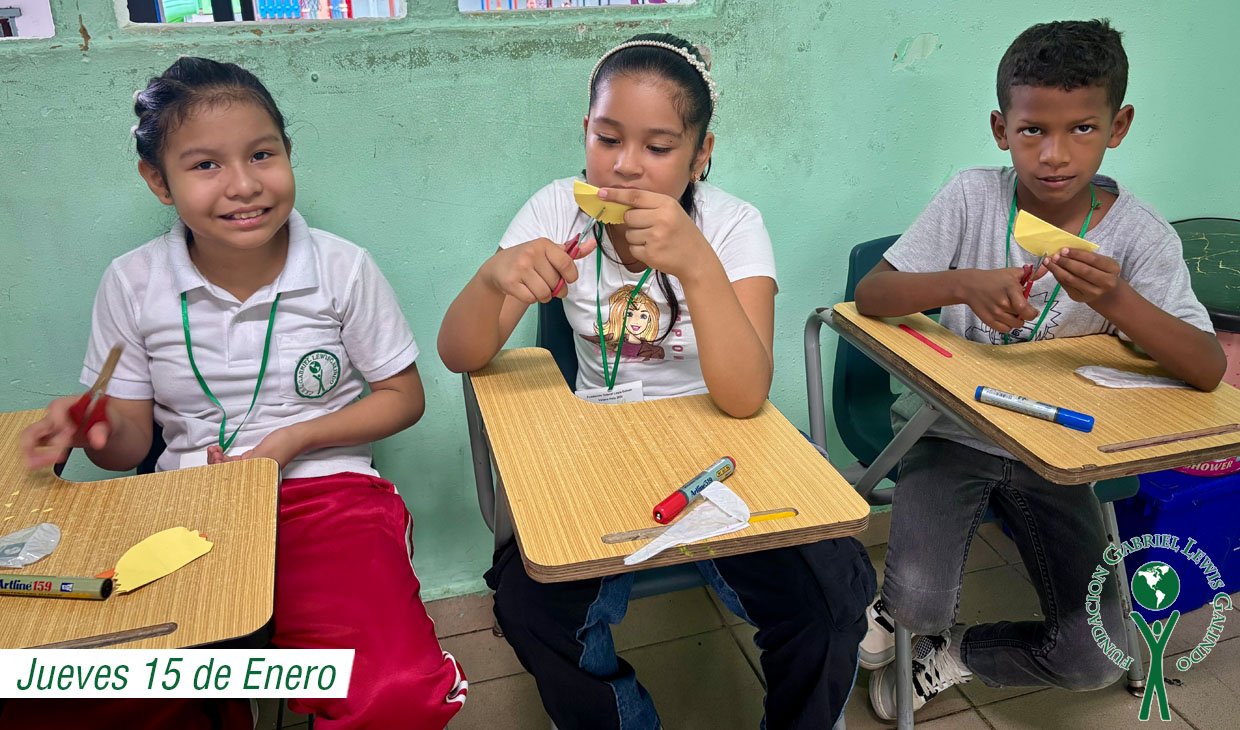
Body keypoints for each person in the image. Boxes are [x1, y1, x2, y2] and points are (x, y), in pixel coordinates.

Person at [438, 32, 875, 730]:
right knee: (530, 609)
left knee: (828, 602)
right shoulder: (556, 209)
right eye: (608, 138)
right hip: (599, 448)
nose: (625, 165)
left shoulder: (732, 226)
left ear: (701, 154)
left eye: (659, 146)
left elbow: (744, 397)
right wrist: (493, 278)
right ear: (585, 131)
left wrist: (697, 263)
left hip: (722, 450)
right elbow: (460, 353)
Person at [15, 57, 466, 730]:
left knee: (395, 694)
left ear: (288, 151)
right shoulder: (132, 282)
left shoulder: (342, 268)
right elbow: (128, 447)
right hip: (185, 510)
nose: (245, 185)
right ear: (157, 181)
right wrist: (92, 431)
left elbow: (404, 397)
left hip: (326, 497)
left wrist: (295, 438)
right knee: (70, 695)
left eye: (262, 154)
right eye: (205, 165)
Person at [853, 19, 1224, 721]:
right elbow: (873, 294)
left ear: (1118, 127)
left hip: (1060, 451)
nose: (1055, 155)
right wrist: (961, 284)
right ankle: (900, 612)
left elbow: (1206, 369)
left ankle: (956, 654)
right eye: (1032, 131)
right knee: (917, 605)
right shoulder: (972, 197)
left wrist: (1117, 301)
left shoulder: (1140, 236)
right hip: (950, 430)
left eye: (1082, 128)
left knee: (1096, 658)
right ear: (1001, 129)